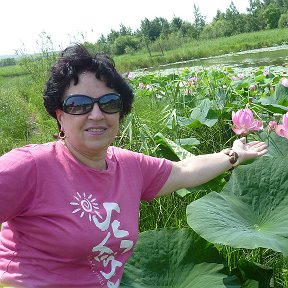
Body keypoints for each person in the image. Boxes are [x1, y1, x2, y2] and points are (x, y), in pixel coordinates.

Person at [0, 43, 268, 288]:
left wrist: (233, 155)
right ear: (60, 116)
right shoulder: (31, 166)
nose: (96, 114)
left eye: (109, 103)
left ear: (120, 112)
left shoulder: (128, 166)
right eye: (79, 105)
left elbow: (183, 171)